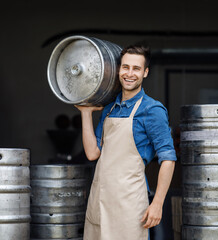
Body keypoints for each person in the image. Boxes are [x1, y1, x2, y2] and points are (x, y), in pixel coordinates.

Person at [75, 44, 177, 240]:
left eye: (136, 69)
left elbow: (168, 159)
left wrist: (157, 203)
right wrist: (86, 113)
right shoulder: (109, 108)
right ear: (118, 70)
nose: (129, 74)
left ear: (145, 73)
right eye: (125, 67)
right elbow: (92, 153)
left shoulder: (152, 110)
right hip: (100, 202)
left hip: (130, 206)